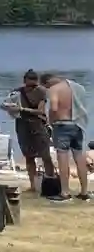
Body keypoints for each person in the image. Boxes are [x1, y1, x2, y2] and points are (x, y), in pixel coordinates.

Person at [42, 71, 90, 202]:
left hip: (62, 125)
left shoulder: (53, 89)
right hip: (78, 124)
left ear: (47, 82)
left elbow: (54, 107)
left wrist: (50, 122)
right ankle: (84, 191)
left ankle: (65, 192)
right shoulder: (77, 87)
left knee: (63, 157)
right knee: (79, 157)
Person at [3, 69, 52, 192]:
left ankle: (51, 182)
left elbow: (40, 111)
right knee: (29, 157)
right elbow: (4, 104)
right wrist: (9, 107)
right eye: (29, 85)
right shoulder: (17, 92)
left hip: (38, 125)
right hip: (22, 125)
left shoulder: (41, 91)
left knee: (45, 156)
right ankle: (33, 185)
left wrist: (22, 109)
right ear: (25, 82)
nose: (32, 88)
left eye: (34, 85)